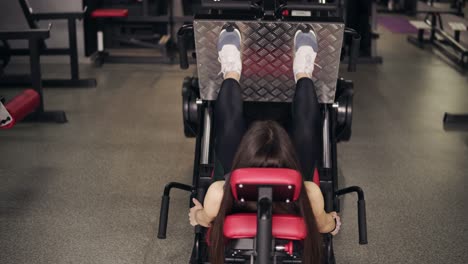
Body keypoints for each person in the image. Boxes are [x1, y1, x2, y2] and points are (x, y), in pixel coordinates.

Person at [189, 25, 341, 263]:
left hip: (233, 201)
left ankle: (232, 69)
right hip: (295, 215)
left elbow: (203, 219)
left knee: (229, 136)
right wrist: (334, 222)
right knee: (304, 139)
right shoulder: (310, 193)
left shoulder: (218, 193)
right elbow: (325, 226)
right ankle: (302, 70)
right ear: (286, 152)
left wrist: (196, 214)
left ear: (245, 150)